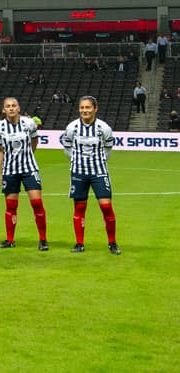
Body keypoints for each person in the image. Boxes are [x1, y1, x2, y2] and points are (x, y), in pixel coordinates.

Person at [60, 96, 121, 255]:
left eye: (88, 108)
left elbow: (108, 150)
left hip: (99, 172)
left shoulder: (104, 128)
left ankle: (112, 242)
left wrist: (97, 162)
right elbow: (67, 149)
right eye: (82, 108)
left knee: (106, 207)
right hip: (78, 172)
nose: (84, 111)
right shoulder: (72, 127)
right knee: (79, 208)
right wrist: (77, 161)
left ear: (95, 109)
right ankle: (79, 243)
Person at [0, 97, 48, 251]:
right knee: (11, 206)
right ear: (4, 110)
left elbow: (34, 141)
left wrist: (28, 156)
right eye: (8, 106)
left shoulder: (28, 123)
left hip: (29, 169)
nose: (11, 108)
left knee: (37, 203)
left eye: (14, 106)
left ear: (18, 108)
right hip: (10, 171)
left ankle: (43, 240)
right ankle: (10, 239)